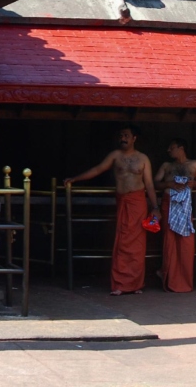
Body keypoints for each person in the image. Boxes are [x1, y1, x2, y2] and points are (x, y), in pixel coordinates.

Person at [65, 125, 159, 296]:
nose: (123, 138)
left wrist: (156, 207)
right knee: (122, 242)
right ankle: (120, 284)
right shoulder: (115, 156)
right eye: (121, 135)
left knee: (138, 245)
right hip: (123, 201)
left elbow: (149, 184)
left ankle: (136, 284)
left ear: (134, 138)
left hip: (138, 202)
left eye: (126, 135)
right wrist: (75, 178)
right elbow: (97, 169)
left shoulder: (143, 158)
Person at [153, 139, 196, 292]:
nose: (169, 150)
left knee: (186, 243)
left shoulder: (194, 164)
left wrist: (193, 184)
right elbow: (155, 183)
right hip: (169, 203)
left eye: (172, 147)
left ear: (181, 148)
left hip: (185, 206)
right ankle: (169, 279)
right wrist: (169, 184)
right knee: (170, 243)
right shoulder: (166, 166)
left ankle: (185, 282)